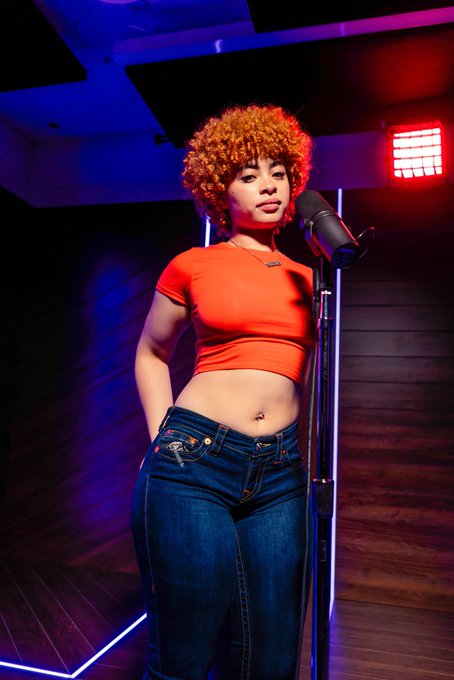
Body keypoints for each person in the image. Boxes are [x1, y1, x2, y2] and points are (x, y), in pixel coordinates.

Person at [131, 102, 316, 680]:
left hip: (280, 473)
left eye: (278, 173)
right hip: (195, 462)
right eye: (249, 175)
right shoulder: (193, 264)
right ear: (220, 189)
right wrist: (162, 438)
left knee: (272, 661)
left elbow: (300, 377)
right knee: (184, 657)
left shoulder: (309, 279)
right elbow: (151, 353)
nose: (269, 185)